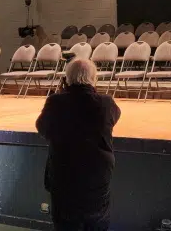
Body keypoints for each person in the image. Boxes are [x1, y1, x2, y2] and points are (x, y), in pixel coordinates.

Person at [36, 59, 122, 231]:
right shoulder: (106, 103)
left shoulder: (55, 102)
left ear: (66, 78)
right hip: (97, 178)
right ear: (94, 79)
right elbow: (114, 118)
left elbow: (42, 128)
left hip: (63, 177)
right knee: (97, 222)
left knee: (65, 224)